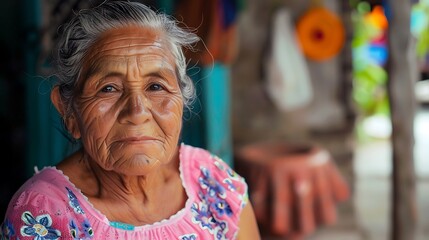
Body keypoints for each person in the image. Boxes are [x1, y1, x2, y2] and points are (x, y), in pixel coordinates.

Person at [0, 1, 260, 239]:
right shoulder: (42, 213)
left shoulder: (214, 183)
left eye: (156, 87)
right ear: (68, 110)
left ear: (181, 98)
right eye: (108, 89)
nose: (137, 111)